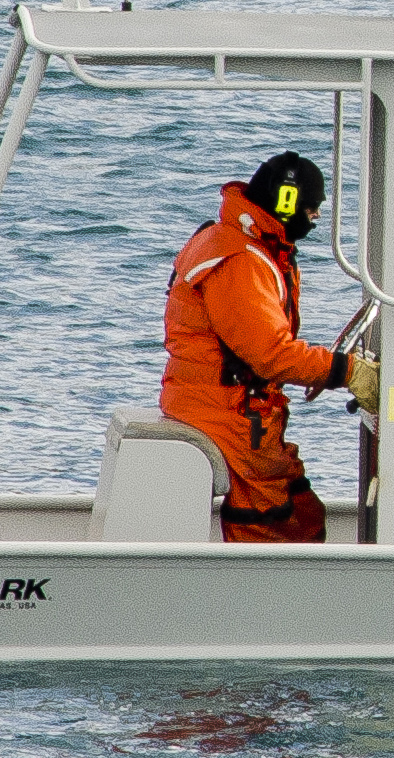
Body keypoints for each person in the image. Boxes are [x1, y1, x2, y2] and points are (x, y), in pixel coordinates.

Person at [161, 149, 376, 545]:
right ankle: (261, 603)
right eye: (312, 209)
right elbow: (270, 353)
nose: (314, 219)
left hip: (234, 410)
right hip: (227, 417)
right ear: (287, 202)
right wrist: (348, 371)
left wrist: (323, 369)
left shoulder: (239, 244)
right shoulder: (241, 260)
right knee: (271, 524)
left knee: (302, 512)